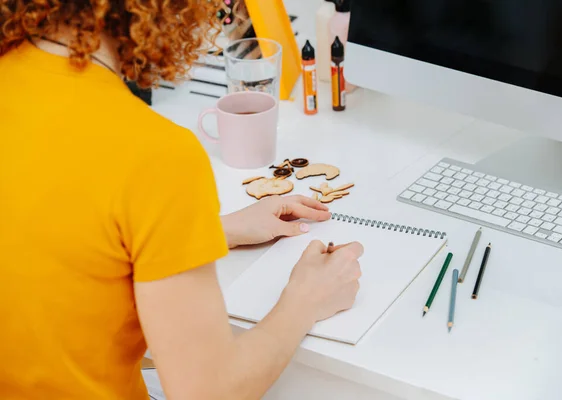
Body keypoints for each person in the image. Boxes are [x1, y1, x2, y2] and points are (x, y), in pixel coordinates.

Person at [0, 1, 363, 399]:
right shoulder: (156, 154)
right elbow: (209, 392)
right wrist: (306, 300)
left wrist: (205, 231)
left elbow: (41, 228)